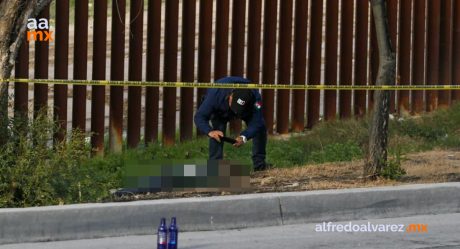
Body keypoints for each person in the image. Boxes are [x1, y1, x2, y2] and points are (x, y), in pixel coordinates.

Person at [194, 76, 269, 171]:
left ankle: (260, 165)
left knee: (260, 127)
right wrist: (210, 131)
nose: (235, 113)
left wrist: (244, 137)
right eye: (234, 107)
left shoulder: (256, 98)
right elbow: (199, 117)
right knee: (217, 133)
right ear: (230, 96)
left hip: (247, 111)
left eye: (239, 109)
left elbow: (256, 122)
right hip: (220, 110)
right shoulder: (215, 94)